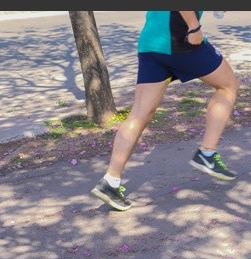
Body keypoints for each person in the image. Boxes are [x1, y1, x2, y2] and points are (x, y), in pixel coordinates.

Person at [91, 10, 240, 211]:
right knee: (228, 86)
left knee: (140, 113)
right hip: (178, 40)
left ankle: (110, 181)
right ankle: (207, 153)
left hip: (151, 44)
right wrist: (194, 26)